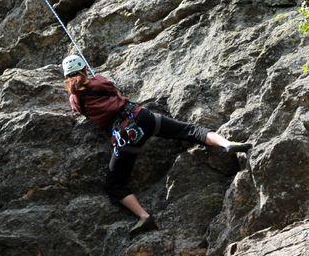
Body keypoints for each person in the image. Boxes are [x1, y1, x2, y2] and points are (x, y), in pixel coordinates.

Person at [62, 54, 252, 237]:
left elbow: (84, 109)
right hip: (141, 117)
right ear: (85, 68)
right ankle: (226, 143)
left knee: (114, 184)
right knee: (190, 130)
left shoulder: (74, 100)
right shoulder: (99, 80)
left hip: (125, 136)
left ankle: (144, 217)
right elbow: (114, 91)